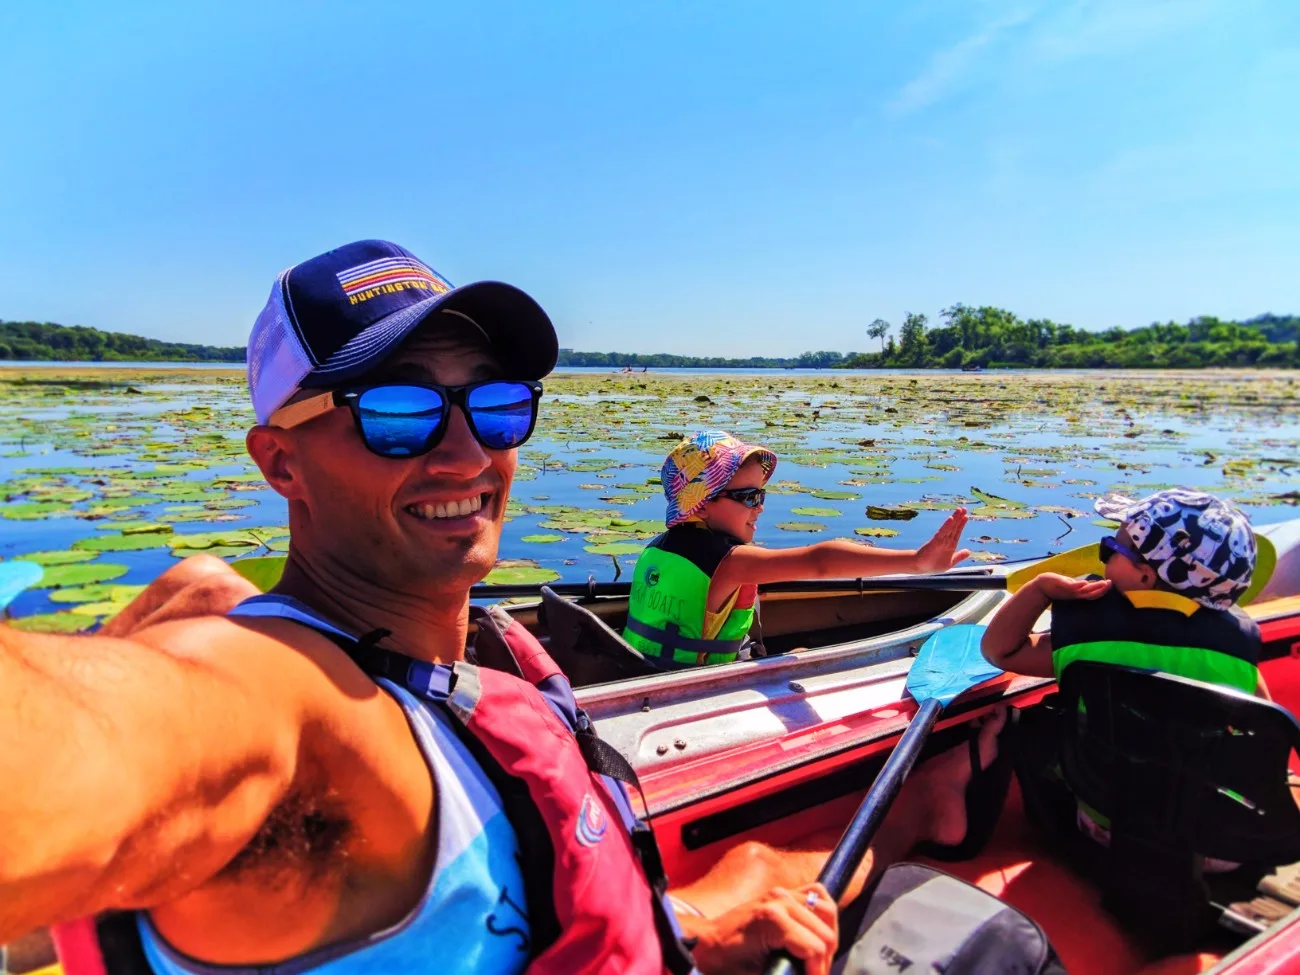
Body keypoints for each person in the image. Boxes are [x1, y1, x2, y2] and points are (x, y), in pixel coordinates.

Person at [0, 240, 1002, 975]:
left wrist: (683, 928)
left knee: (763, 863)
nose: (467, 452)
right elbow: (89, 740)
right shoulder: (285, 711)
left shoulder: (468, 670)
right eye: (394, 408)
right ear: (281, 463)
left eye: (494, 402)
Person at [981, 488, 1263, 860]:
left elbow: (1001, 650)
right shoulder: (1240, 651)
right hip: (1217, 842)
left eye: (1111, 548)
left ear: (1145, 577)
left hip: (1109, 826)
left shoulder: (1089, 635)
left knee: (1028, 722)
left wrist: (1040, 590)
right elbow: (1262, 726)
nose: (1105, 553)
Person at [623, 430, 971, 669]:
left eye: (762, 495)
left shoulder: (655, 551)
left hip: (647, 676)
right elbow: (819, 562)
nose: (759, 507)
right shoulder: (731, 563)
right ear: (700, 506)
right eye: (748, 497)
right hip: (697, 691)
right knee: (808, 657)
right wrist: (917, 562)